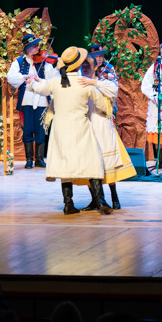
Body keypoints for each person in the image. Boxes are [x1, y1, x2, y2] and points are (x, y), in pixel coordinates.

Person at [28, 46, 111, 215]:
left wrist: (32, 82)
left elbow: (39, 88)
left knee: (65, 163)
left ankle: (68, 204)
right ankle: (100, 200)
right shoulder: (84, 83)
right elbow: (104, 105)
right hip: (80, 127)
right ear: (79, 65)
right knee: (92, 160)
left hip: (61, 129)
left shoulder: (56, 83)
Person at [73, 55, 136, 210]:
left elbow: (114, 90)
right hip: (85, 125)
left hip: (101, 124)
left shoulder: (104, 83)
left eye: (89, 65)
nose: (86, 68)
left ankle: (114, 196)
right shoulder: (79, 83)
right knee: (88, 164)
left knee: (108, 162)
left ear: (96, 67)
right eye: (84, 66)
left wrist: (93, 82)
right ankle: (95, 199)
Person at [6, 33, 59, 169]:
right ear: (27, 48)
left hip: (42, 99)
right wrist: (25, 77)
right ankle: (29, 159)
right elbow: (11, 77)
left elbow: (52, 78)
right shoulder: (19, 62)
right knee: (28, 129)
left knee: (41, 129)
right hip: (27, 100)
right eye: (34, 46)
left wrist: (56, 68)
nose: (37, 48)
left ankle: (40, 159)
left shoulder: (44, 62)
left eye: (37, 45)